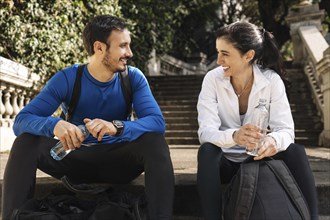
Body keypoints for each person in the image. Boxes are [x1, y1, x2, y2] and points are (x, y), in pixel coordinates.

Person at [1, 15, 174, 220]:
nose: (130, 53)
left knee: (154, 141)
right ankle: (12, 216)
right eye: (123, 46)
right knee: (25, 142)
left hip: (118, 163)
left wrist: (116, 127)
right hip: (74, 159)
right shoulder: (68, 78)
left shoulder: (133, 78)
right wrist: (55, 125)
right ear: (99, 48)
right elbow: (21, 121)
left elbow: (157, 122)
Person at [196, 20, 319, 220]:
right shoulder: (212, 80)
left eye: (225, 54)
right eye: (218, 52)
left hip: (258, 158)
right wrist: (235, 136)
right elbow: (205, 132)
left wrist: (272, 142)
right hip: (225, 161)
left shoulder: (271, 81)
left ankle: (312, 217)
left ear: (249, 55)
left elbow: (286, 130)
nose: (218, 60)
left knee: (295, 151)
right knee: (207, 151)